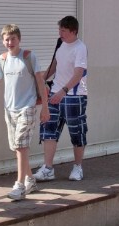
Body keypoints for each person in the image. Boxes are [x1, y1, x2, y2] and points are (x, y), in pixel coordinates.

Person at [0, 24, 48, 201]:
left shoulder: (29, 57)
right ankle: (30, 179)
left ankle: (20, 185)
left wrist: (45, 107)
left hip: (27, 107)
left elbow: (40, 82)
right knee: (18, 148)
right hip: (10, 109)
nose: (9, 42)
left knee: (21, 146)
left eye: (13, 38)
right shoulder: (2, 60)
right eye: (6, 39)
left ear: (19, 39)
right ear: (3, 41)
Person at [35, 15, 88, 183]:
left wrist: (63, 91)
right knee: (48, 129)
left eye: (63, 30)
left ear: (73, 31)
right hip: (54, 94)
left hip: (74, 96)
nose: (60, 33)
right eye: (59, 30)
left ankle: (78, 167)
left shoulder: (80, 48)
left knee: (77, 132)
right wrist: (41, 81)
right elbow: (54, 66)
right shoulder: (60, 44)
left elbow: (78, 73)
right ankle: (48, 168)